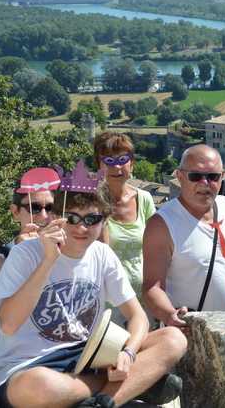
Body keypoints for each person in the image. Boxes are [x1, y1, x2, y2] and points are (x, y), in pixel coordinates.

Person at [0, 185, 187, 408]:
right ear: (55, 217)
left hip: (88, 357)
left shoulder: (102, 254)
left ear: (104, 221)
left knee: (173, 339)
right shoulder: (25, 253)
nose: (81, 227)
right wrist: (48, 261)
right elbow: (9, 326)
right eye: (71, 218)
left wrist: (129, 355)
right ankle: (133, 385)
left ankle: (102, 402)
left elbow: (138, 316)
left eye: (92, 219)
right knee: (40, 385)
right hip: (27, 366)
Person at [142, 144, 225, 331]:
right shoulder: (162, 225)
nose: (204, 183)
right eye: (195, 176)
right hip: (191, 332)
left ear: (222, 176)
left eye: (212, 176)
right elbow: (151, 287)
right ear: (179, 177)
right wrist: (170, 316)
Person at [93, 132, 156, 320]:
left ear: (132, 163)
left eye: (123, 159)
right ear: (98, 165)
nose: (117, 167)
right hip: (106, 304)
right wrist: (100, 202)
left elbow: (156, 250)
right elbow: (101, 252)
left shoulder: (143, 199)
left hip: (143, 300)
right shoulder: (90, 204)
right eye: (108, 161)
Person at [0, 178, 55, 338]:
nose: (44, 215)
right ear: (15, 212)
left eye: (51, 207)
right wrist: (19, 257)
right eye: (34, 207)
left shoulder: (69, 249)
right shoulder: (1, 259)